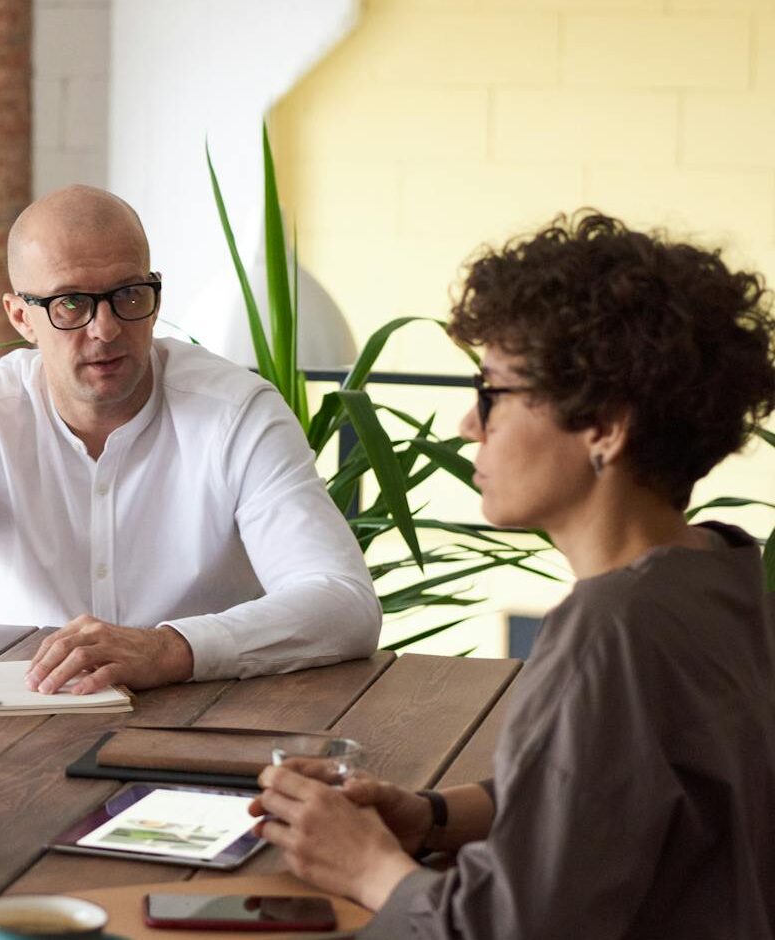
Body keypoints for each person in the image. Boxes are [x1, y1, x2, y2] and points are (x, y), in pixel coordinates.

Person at [251, 212, 775, 938]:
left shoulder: (611, 630)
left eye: (493, 390)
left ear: (606, 427)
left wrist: (368, 866)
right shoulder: (721, 572)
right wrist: (433, 817)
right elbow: (615, 797)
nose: (470, 422)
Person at [0, 185, 379, 692]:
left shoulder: (236, 413)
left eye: (127, 294)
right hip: (32, 720)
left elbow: (344, 604)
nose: (106, 329)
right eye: (71, 303)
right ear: (22, 317)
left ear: (155, 296)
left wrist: (167, 649)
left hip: (208, 718)